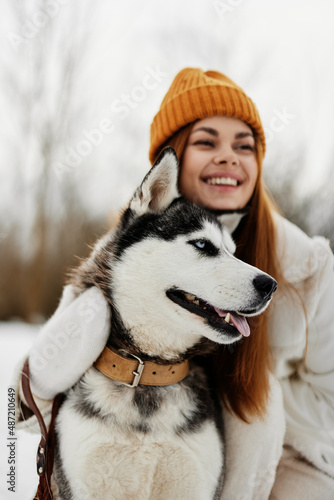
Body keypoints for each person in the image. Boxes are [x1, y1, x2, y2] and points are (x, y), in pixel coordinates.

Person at [15, 68, 334, 499]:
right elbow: (23, 407)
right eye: (207, 142)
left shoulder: (308, 264)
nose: (229, 157)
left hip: (294, 461)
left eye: (246, 146)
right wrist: (35, 385)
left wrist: (256, 405)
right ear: (170, 165)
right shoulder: (120, 253)